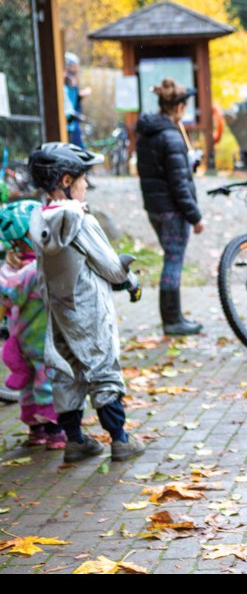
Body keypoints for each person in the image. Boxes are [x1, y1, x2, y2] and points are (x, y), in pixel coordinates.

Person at [27, 142, 145, 463]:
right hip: (90, 309)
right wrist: (130, 281)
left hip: (59, 311)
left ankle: (75, 440)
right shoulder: (80, 219)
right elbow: (109, 266)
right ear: (65, 181)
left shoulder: (40, 222)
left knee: (67, 370)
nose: (87, 185)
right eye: (82, 178)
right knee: (102, 367)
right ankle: (120, 439)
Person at [135, 78, 204, 336]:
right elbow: (178, 184)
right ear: (179, 107)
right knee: (173, 263)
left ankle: (173, 317)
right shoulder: (171, 137)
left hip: (154, 207)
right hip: (172, 209)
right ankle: (172, 320)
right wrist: (195, 216)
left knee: (170, 259)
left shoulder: (148, 133)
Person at [0, 200, 66, 450]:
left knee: (29, 385)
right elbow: (12, 293)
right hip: (42, 339)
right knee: (45, 383)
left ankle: (35, 431)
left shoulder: (16, 267)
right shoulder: (37, 268)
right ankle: (54, 432)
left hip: (22, 337)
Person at [63, 53, 90, 149]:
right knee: (78, 150)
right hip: (71, 122)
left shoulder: (71, 79)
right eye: (75, 65)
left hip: (74, 121)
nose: (76, 68)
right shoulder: (67, 79)